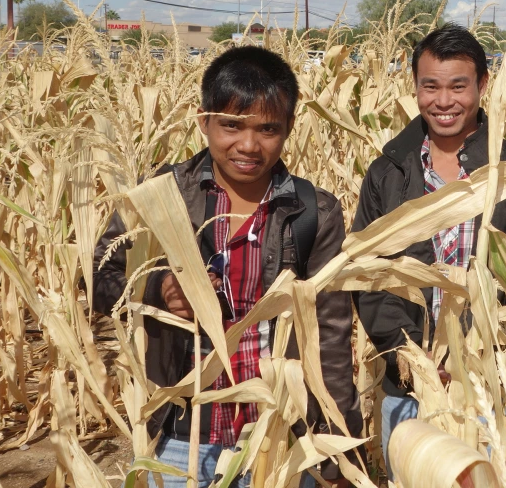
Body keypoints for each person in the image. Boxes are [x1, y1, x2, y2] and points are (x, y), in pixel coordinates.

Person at [93, 46, 362, 487]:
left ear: (289, 129)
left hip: (278, 433)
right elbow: (100, 281)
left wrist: (337, 450)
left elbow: (329, 337)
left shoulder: (314, 212)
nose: (249, 146)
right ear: (204, 122)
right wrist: (155, 287)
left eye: (268, 129)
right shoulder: (161, 198)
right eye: (231, 126)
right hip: (181, 434)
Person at [352, 24, 506, 475]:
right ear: (415, 87)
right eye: (430, 86)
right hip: (414, 391)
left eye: (458, 86)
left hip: (497, 395)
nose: (444, 101)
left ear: (482, 85)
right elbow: (370, 277)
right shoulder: (389, 173)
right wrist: (410, 357)